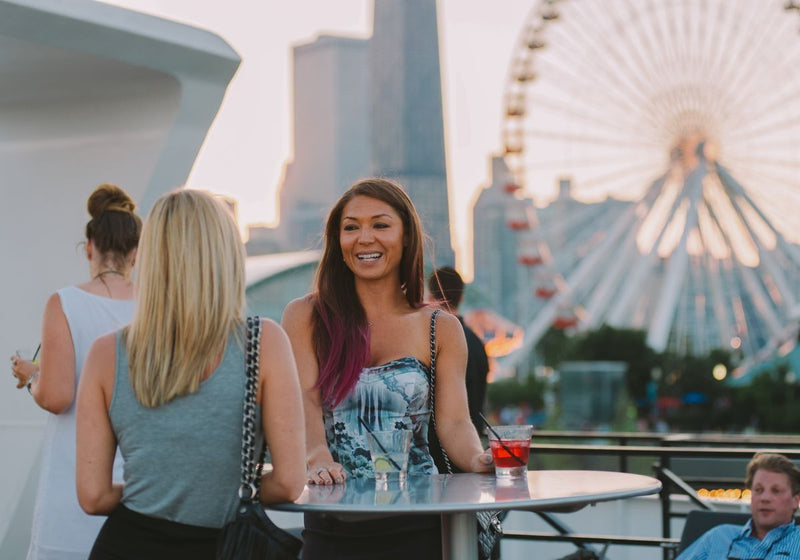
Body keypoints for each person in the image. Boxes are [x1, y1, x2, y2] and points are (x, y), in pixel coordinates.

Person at [75, 189, 306, 559]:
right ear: (226, 256)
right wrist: (219, 487)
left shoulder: (105, 354)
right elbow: (289, 482)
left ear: (150, 258)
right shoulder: (263, 342)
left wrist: (158, 488)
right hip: (222, 547)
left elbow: (94, 496)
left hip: (125, 546)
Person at [282, 177, 494, 560]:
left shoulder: (440, 327)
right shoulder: (305, 317)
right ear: (337, 241)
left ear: (406, 237)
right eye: (351, 228)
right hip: (333, 520)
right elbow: (305, 403)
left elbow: (454, 424)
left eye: (380, 225)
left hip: (422, 524)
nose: (365, 238)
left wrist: (479, 460)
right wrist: (317, 456)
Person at [10, 183, 140, 560]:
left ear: (89, 247)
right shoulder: (154, 307)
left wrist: (33, 377)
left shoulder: (65, 303)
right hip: (139, 486)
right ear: (136, 251)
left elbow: (57, 396)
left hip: (75, 481)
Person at [677, 452, 800, 559]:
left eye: (776, 491)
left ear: (795, 500)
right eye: (758, 490)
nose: (765, 498)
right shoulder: (718, 536)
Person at [427, 266, 490, 433]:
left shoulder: (429, 342)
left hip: (440, 440)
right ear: (461, 298)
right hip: (473, 437)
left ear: (430, 297)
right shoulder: (477, 343)